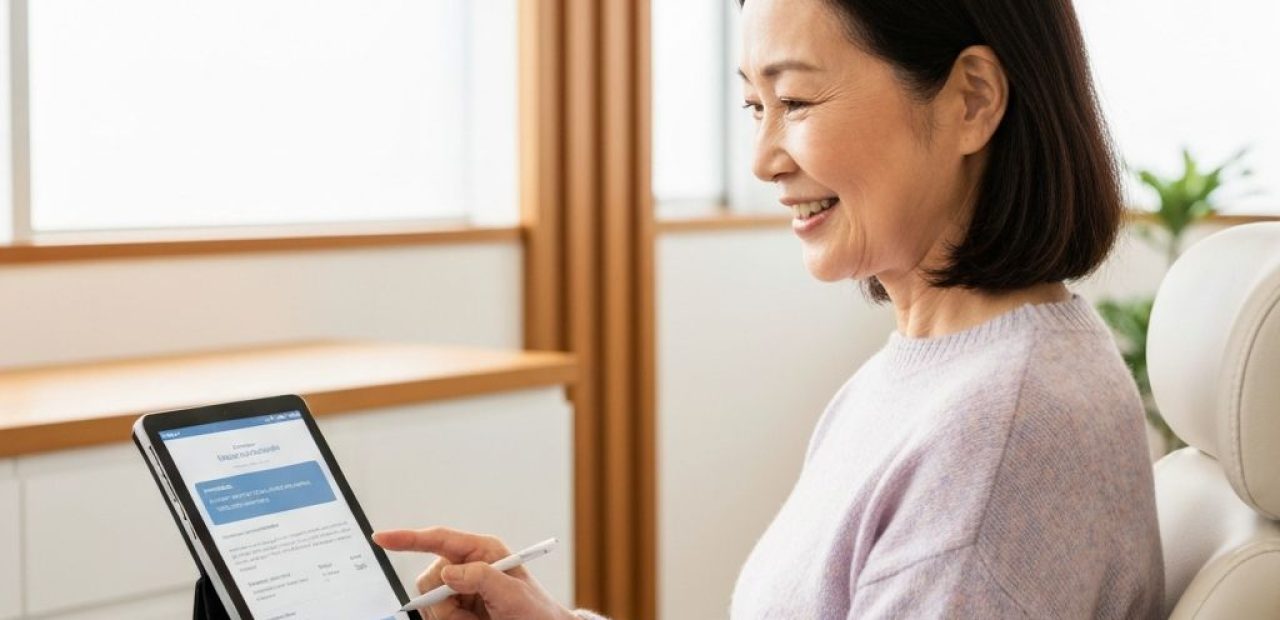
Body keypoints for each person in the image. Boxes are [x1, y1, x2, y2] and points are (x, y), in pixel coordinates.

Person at [373, 0, 1164, 617]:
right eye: (755, 106)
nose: (763, 159)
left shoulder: (998, 432)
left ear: (971, 99)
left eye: (796, 99)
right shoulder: (928, 370)